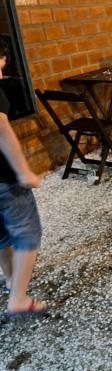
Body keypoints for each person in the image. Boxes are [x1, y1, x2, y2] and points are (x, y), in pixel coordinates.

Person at [0, 43, 47, 318]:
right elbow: (1, 131)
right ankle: (18, 298)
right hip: (5, 181)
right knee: (26, 234)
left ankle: (9, 280)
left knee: (2, 234)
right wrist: (22, 171)